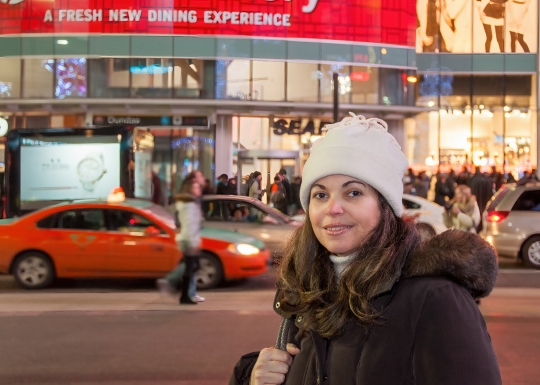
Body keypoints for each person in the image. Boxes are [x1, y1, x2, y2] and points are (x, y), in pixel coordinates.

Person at [229, 114, 501, 385]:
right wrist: (254, 377)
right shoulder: (305, 289)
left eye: (354, 193)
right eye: (320, 195)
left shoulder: (436, 300)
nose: (332, 209)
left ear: (385, 205)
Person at [468, 166, 494, 232]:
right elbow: (490, 193)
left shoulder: (472, 180)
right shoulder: (487, 180)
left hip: (476, 202)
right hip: (485, 201)